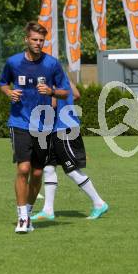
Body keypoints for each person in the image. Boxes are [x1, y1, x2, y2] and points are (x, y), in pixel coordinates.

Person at [0, 21, 69, 234]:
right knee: (24, 168)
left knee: (38, 173)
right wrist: (9, 93)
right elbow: (3, 83)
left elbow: (66, 92)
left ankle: (28, 214)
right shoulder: (13, 62)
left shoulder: (52, 64)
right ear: (26, 40)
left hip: (45, 124)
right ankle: (22, 218)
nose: (38, 43)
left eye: (41, 40)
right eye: (34, 40)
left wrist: (51, 91)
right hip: (19, 121)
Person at [30, 81, 108, 222]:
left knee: (71, 169)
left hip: (64, 128)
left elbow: (52, 104)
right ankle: (48, 210)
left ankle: (99, 203)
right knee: (48, 167)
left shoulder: (49, 76)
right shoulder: (62, 74)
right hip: (57, 128)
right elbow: (76, 95)